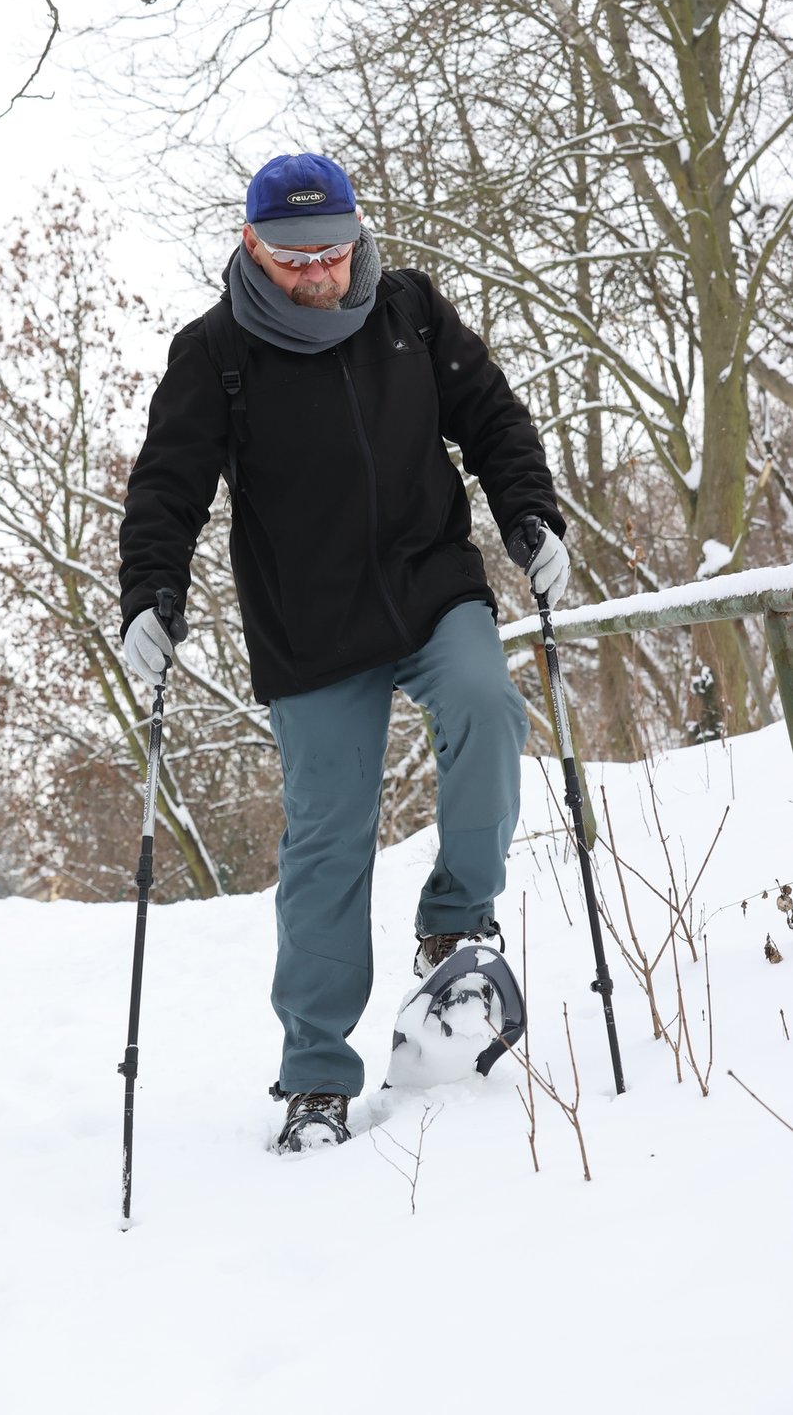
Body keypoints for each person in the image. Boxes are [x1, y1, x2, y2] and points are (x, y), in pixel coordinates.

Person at [119, 152, 569, 1154]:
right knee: (329, 837)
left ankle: (455, 922)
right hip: (310, 625)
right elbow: (167, 486)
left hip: (429, 583)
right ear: (251, 246)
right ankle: (317, 1075)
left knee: (488, 707)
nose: (318, 273)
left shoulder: (409, 313)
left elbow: (492, 418)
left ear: (359, 236)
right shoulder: (217, 352)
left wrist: (531, 517)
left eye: (333, 251)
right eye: (293, 258)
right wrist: (150, 593)